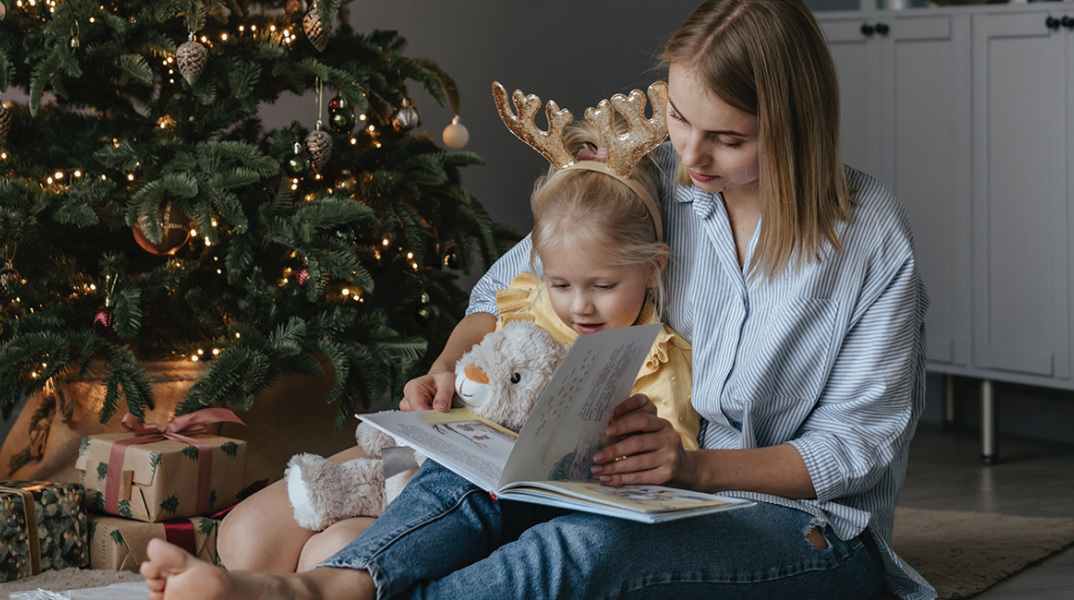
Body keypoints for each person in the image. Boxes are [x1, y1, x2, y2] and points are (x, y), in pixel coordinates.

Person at [140, 1, 936, 598]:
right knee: (483, 484)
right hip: (632, 482)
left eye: (727, 139)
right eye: (681, 119)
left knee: (585, 552)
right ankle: (318, 590)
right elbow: (506, 288)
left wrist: (690, 465)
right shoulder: (656, 184)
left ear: (796, 129)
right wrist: (454, 363)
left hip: (802, 530)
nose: (691, 155)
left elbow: (851, 451)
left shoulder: (868, 239)